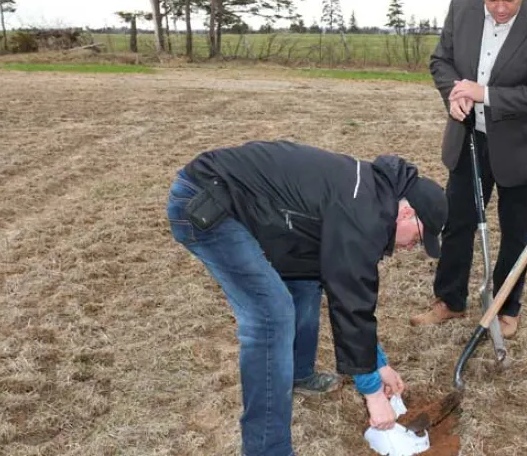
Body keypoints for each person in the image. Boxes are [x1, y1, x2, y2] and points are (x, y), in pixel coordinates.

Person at [165, 140, 448, 456]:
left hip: (256, 207)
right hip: (207, 203)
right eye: (420, 238)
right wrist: (373, 394)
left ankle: (299, 373)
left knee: (305, 281)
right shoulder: (363, 214)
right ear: (407, 213)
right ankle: (266, 450)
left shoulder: (371, 197)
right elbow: (351, 302)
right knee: (271, 316)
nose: (411, 248)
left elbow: (346, 294)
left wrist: (378, 363)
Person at [409, 0, 527, 338]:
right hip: (468, 136)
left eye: (509, 0)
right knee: (458, 219)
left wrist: (486, 94)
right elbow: (441, 62)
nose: (499, 8)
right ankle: (449, 300)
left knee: (516, 229)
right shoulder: (461, 8)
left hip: (520, 143)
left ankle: (506, 309)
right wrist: (455, 93)